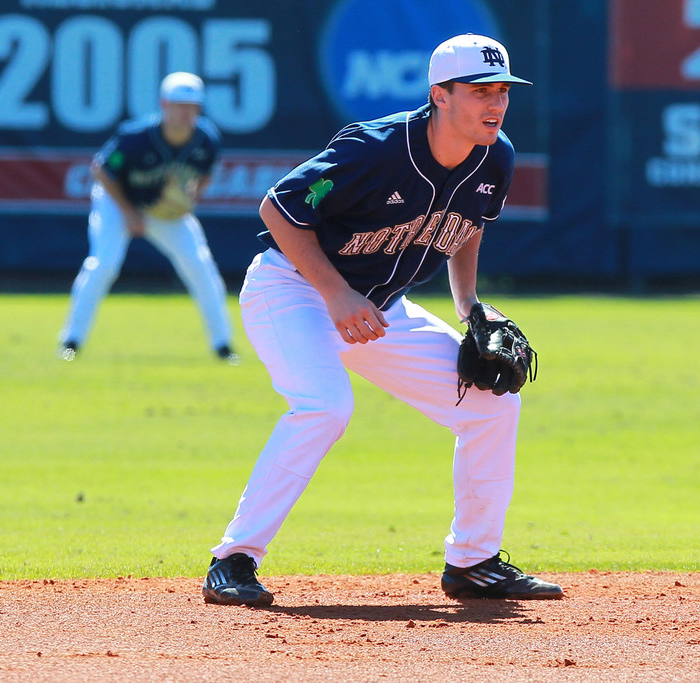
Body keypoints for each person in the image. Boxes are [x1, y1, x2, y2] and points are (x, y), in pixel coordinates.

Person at [201, 34, 563, 606]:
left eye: (502, 91)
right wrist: (335, 293)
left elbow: (469, 224)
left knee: (493, 405)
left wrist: (469, 306)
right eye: (478, 91)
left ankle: (472, 563)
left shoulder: (496, 156)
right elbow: (279, 207)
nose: (494, 103)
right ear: (439, 95)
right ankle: (234, 559)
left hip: (377, 309)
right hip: (292, 290)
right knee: (324, 406)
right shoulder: (373, 149)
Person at [58, 72, 238, 363]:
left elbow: (204, 175)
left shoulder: (206, 139)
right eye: (178, 104)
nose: (184, 111)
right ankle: (71, 340)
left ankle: (223, 346)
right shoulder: (135, 137)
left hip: (162, 209)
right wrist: (129, 213)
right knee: (104, 264)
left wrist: (190, 198)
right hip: (117, 203)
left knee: (199, 264)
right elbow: (102, 170)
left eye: (191, 105)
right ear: (163, 104)